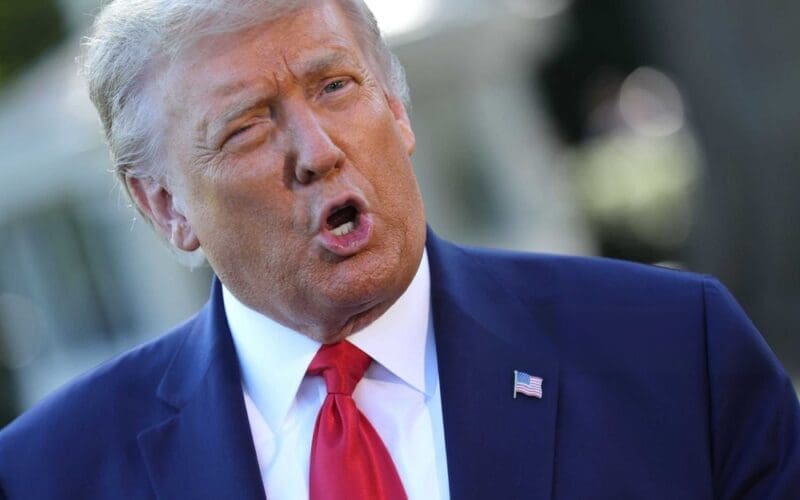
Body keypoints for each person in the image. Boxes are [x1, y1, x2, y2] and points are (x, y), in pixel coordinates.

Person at [1, 0, 798, 498]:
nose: (315, 149)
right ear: (166, 206)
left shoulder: (673, 351)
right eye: (245, 126)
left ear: (399, 110)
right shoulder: (48, 472)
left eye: (335, 88)